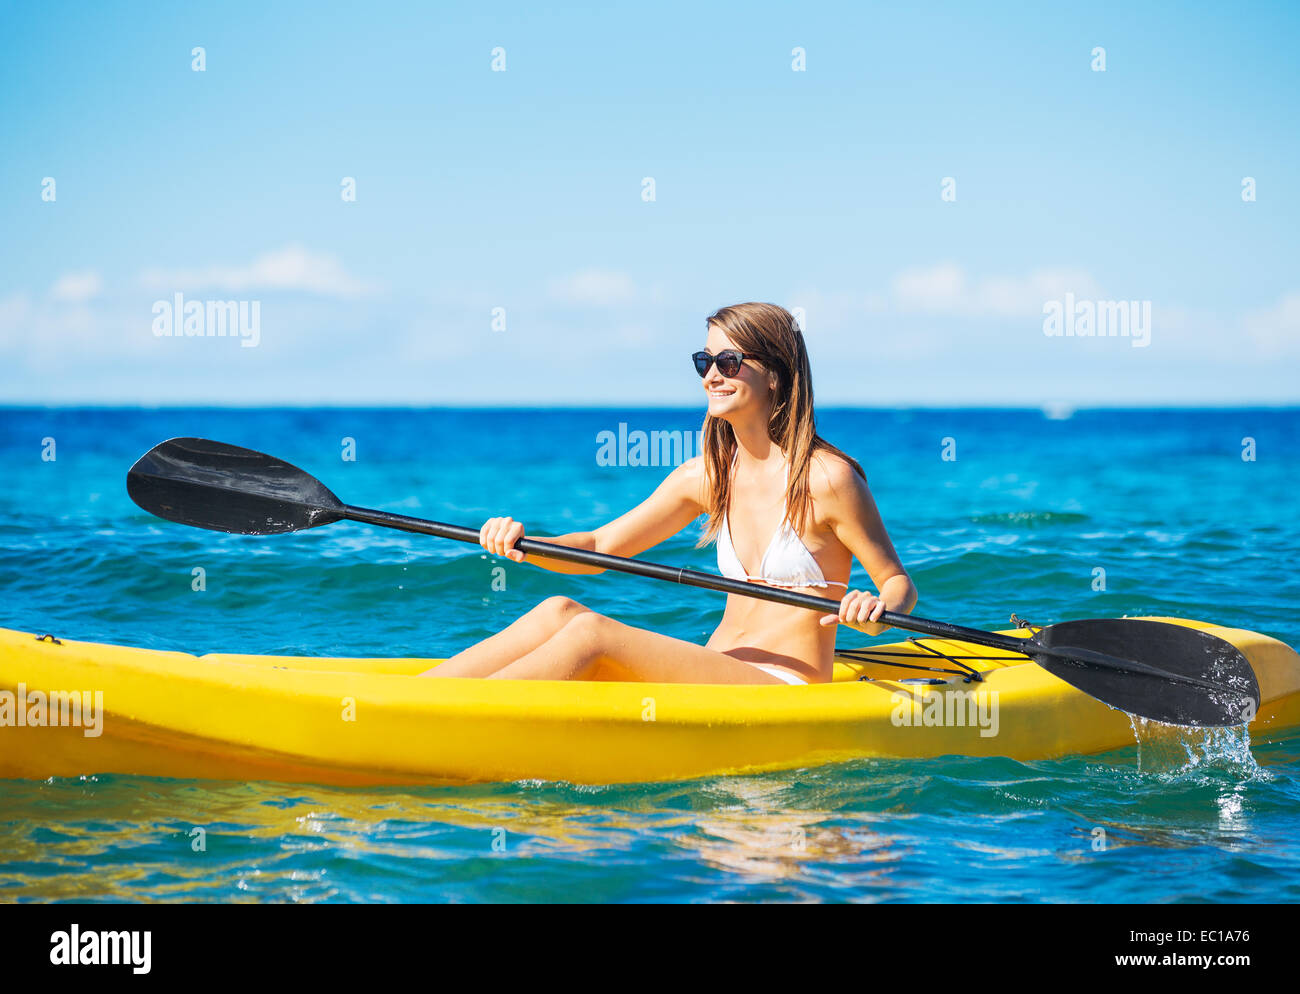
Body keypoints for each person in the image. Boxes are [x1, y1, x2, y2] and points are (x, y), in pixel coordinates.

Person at [422, 302, 917, 683]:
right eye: (704, 360)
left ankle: (440, 722)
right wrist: (523, 545)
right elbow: (600, 549)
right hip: (718, 669)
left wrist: (876, 611)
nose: (711, 374)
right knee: (559, 610)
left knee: (593, 633)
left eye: (728, 360)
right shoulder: (706, 477)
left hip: (784, 685)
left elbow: (897, 582)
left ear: (775, 372)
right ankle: (420, 700)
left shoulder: (827, 479)